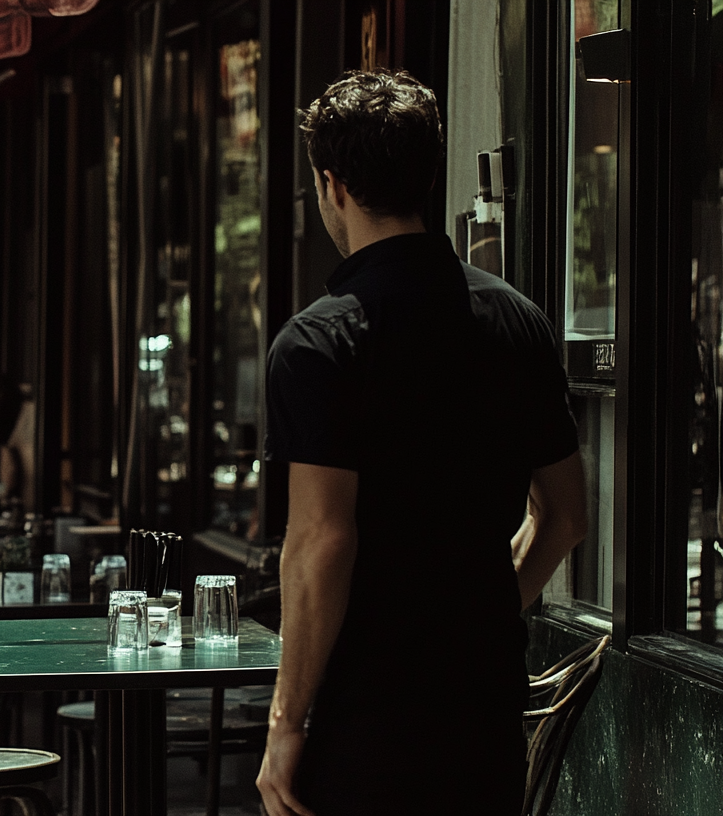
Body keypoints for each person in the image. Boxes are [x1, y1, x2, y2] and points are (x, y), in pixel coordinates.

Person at [255, 70, 588, 816]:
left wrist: (286, 721)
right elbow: (566, 517)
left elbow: (320, 542)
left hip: (367, 707)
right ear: (427, 172)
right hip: (483, 697)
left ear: (332, 185)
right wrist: (487, 606)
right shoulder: (519, 322)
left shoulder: (318, 341)